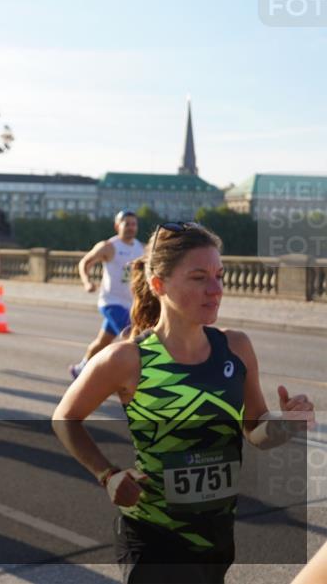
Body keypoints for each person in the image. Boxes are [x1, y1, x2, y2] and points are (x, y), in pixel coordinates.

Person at [53, 222, 315, 584]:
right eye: (198, 278)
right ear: (159, 284)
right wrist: (107, 475)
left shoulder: (236, 348)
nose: (216, 289)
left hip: (216, 538)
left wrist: (287, 422)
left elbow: (255, 431)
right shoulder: (128, 359)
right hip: (154, 538)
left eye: (219, 276)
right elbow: (65, 418)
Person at [70, 210, 145, 379]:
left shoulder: (140, 248)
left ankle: (81, 368)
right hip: (111, 302)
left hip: (131, 304)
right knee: (133, 340)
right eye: (127, 224)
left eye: (134, 224)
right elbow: (85, 263)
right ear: (117, 226)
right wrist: (87, 282)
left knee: (102, 342)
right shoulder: (109, 247)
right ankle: (130, 380)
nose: (131, 228)